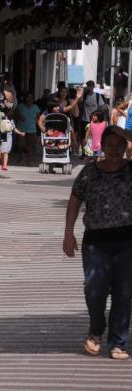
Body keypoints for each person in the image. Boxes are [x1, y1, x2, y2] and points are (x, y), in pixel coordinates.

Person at [63, 125, 132, 360]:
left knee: (124, 293)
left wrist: (128, 135)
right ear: (101, 146)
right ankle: (96, 329)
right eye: (109, 144)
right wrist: (68, 233)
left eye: (119, 145)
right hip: (96, 241)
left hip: (127, 240)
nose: (114, 150)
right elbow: (74, 201)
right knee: (94, 290)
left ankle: (118, 343)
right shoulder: (90, 172)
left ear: (125, 147)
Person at [79, 80, 104, 159]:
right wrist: (83, 93)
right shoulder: (85, 95)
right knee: (84, 137)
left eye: (91, 85)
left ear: (93, 86)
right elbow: (79, 103)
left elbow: (102, 106)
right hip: (85, 119)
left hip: (95, 120)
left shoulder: (97, 96)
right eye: (88, 85)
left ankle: (94, 153)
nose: (90, 87)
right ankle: (84, 153)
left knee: (95, 136)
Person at [16, 92, 41, 166]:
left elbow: (38, 116)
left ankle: (29, 161)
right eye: (28, 97)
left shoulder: (35, 107)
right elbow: (15, 114)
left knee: (30, 146)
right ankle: (21, 154)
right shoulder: (20, 106)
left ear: (33, 99)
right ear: (25, 98)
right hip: (21, 128)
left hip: (32, 129)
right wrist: (19, 116)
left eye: (31, 97)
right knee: (21, 145)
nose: (29, 99)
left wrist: (36, 122)